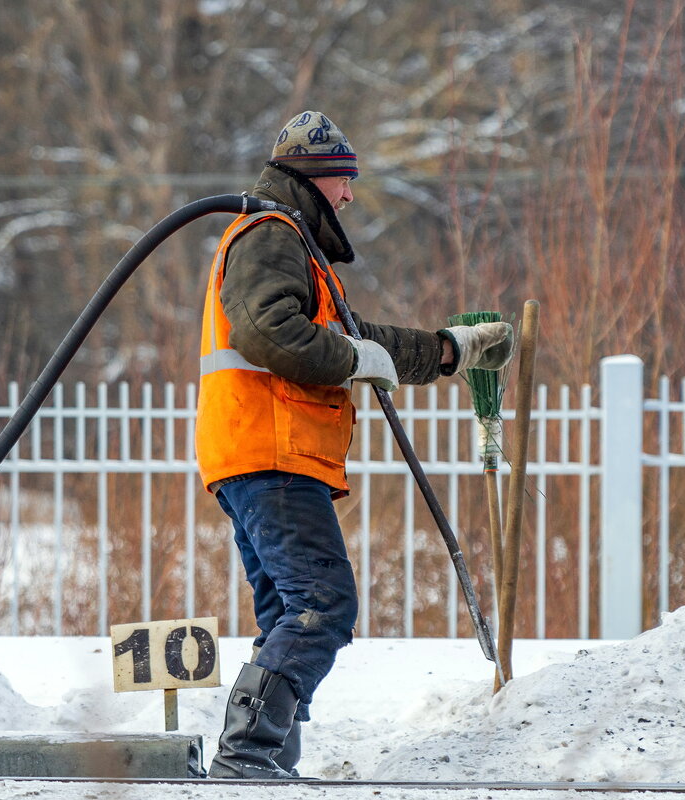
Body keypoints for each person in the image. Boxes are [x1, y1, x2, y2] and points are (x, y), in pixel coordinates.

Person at [196, 110, 512, 780]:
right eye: (345, 180)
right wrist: (347, 360)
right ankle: (247, 757)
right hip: (272, 455)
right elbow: (268, 332)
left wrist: (451, 352)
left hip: (261, 455)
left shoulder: (294, 247)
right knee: (324, 603)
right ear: (315, 178)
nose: (349, 196)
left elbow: (354, 334)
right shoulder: (271, 234)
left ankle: (269, 762)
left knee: (289, 610)